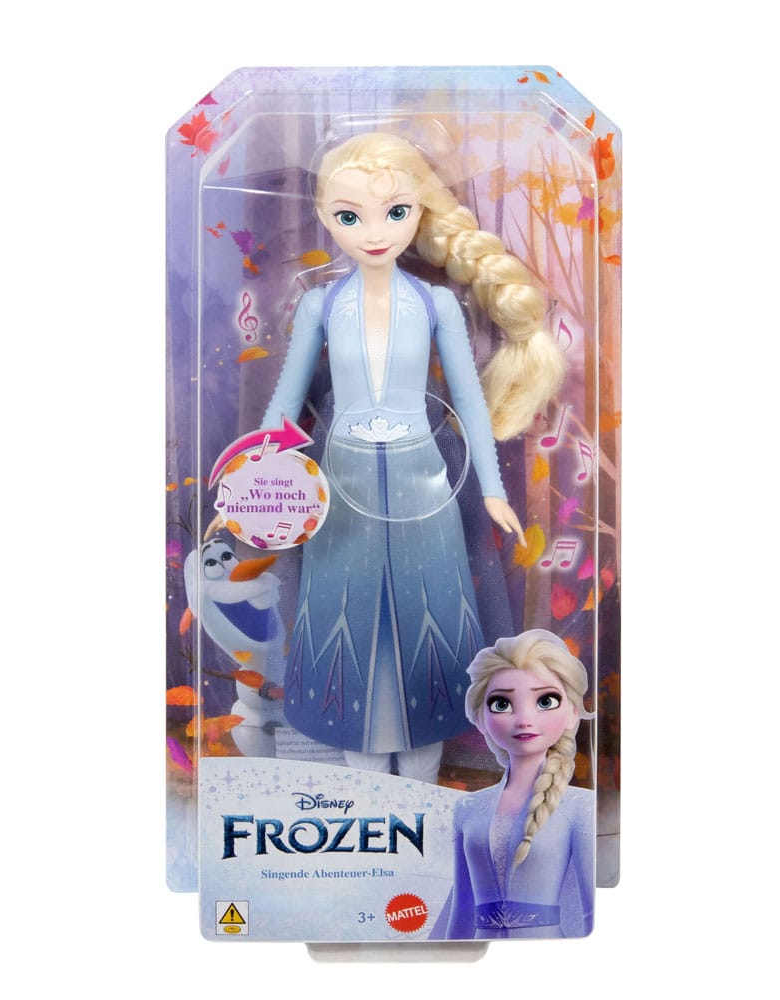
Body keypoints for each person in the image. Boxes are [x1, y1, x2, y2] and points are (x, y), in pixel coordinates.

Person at [261, 133, 563, 782]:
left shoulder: (435, 304)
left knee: (426, 616)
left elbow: (470, 402)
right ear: (324, 216)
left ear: (419, 212)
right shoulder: (320, 304)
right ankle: (366, 777)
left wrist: (491, 490)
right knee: (346, 619)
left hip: (424, 484)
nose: (374, 232)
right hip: (340, 488)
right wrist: (250, 483)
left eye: (394, 212)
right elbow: (285, 405)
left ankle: (422, 785)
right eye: (350, 216)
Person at [433, 629, 594, 938]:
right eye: (501, 704)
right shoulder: (467, 808)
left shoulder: (579, 807)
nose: (524, 719)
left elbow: (591, 913)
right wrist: (445, 957)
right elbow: (461, 911)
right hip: (478, 953)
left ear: (573, 713)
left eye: (545, 700)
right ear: (480, 718)